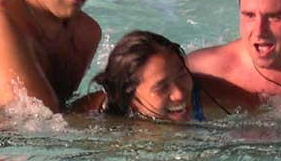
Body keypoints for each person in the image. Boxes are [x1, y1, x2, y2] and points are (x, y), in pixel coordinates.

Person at [70, 30, 233, 121]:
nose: (179, 94)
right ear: (130, 95)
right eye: (162, 87)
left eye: (182, 75)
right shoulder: (92, 124)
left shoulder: (209, 98)